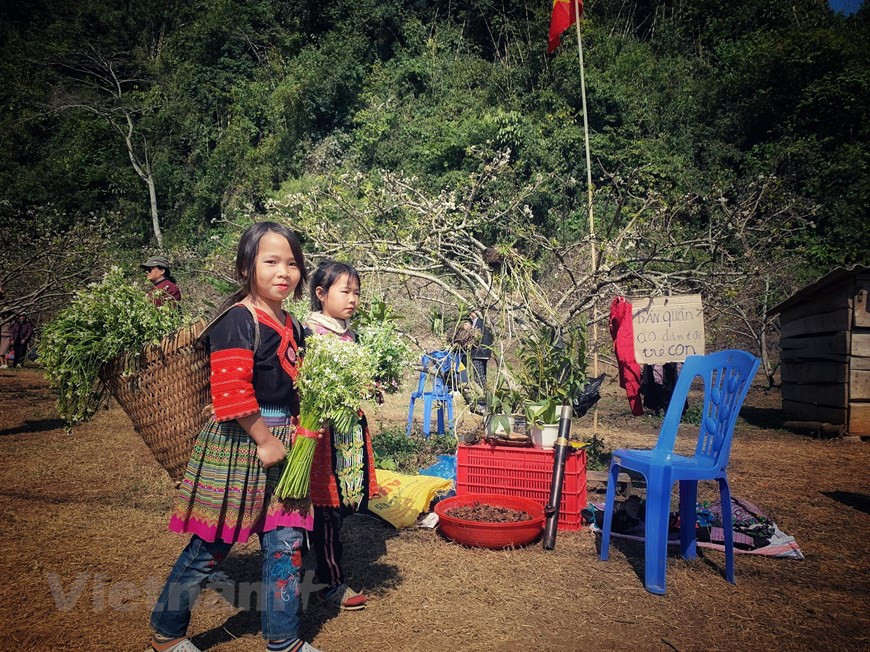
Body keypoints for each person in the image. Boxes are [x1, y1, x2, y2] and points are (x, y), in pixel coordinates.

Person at [149, 222, 320, 652]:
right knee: (212, 545)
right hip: (242, 444)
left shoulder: (293, 325)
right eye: (272, 262)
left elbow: (299, 385)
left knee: (286, 544)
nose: (285, 272)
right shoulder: (237, 321)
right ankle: (166, 632)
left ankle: (284, 639)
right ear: (247, 267)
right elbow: (231, 393)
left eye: (293, 264)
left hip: (286, 446)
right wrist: (265, 439)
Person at [305, 260, 379, 612]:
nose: (352, 299)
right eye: (345, 291)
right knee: (327, 509)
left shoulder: (351, 334)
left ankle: (317, 563)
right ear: (321, 294)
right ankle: (330, 582)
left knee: (342, 505)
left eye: (357, 293)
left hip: (348, 431)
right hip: (321, 435)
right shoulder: (310, 333)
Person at [467, 310, 493, 390]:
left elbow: (475, 337)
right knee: (483, 375)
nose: (470, 315)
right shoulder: (485, 322)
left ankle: (482, 396)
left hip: (479, 352)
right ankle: (485, 394)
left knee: (478, 375)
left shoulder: (478, 323)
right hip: (485, 352)